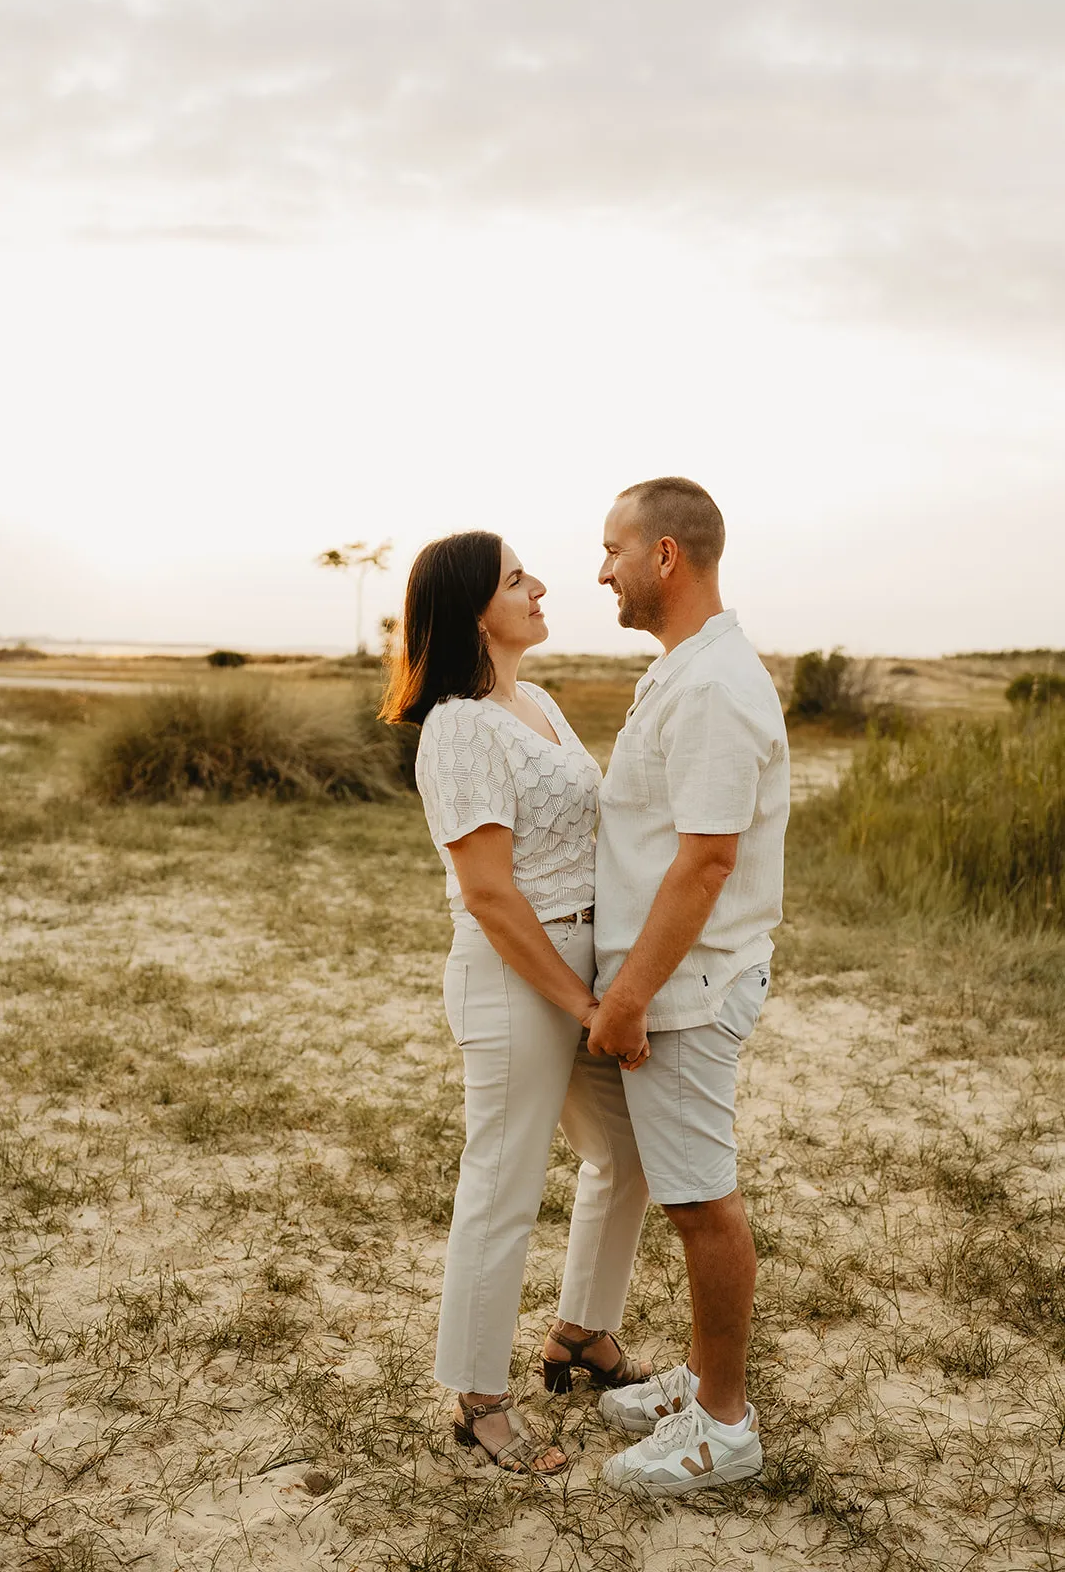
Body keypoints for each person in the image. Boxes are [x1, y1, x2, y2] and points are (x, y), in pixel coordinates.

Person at [381, 530, 652, 1476]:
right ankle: (478, 1401)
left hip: (583, 964)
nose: (541, 587)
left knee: (626, 1151)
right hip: (514, 975)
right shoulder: (458, 727)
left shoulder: (533, 700)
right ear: (470, 611)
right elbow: (491, 893)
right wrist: (583, 1004)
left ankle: (580, 1332)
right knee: (502, 1181)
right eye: (514, 580)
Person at [587, 477, 790, 1497]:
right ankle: (702, 1379)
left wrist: (626, 996)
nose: (600, 570)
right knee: (685, 1191)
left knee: (700, 1203)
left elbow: (705, 862)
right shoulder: (686, 669)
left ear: (664, 555)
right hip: (680, 977)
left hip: (686, 989)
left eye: (612, 548)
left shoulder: (712, 686)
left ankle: (721, 1422)